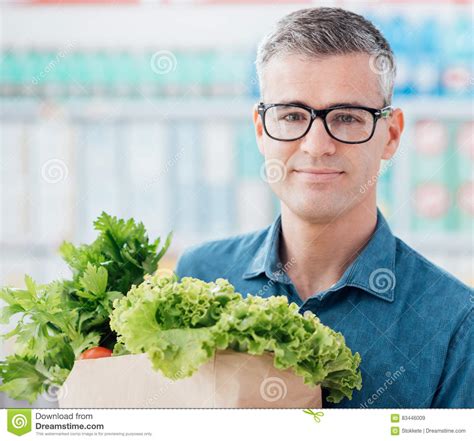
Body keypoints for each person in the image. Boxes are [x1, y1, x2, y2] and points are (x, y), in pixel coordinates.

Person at [175, 7, 473, 408]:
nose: (317, 146)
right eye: (293, 116)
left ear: (391, 135)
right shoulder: (199, 276)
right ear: (261, 130)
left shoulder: (455, 322)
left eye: (347, 118)